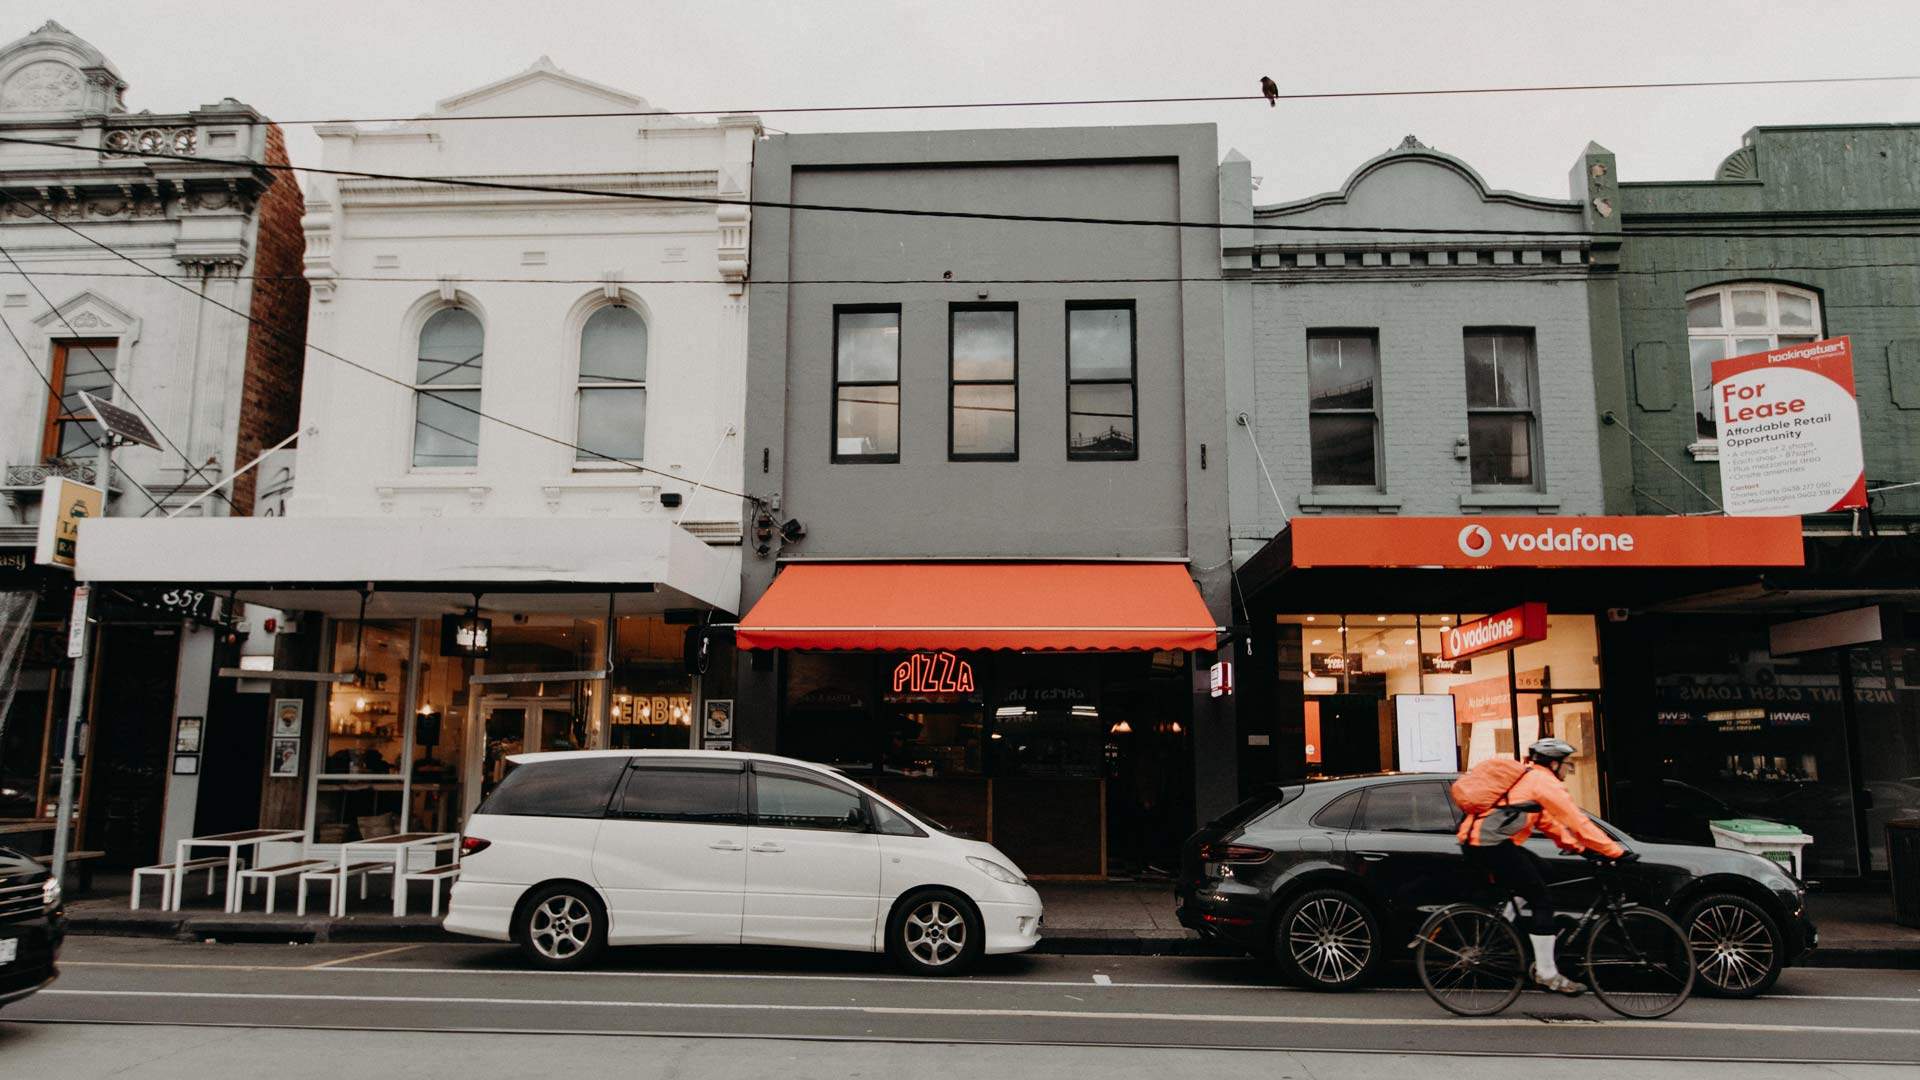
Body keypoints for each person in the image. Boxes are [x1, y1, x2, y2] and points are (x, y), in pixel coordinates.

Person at [1451, 737, 1632, 994]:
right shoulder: (1543, 782)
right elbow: (1576, 819)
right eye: (1567, 765)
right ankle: (1547, 973)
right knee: (1541, 898)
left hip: (1486, 842)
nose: (1568, 771)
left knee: (1545, 871)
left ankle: (1505, 923)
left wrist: (1580, 848)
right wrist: (1613, 851)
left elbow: (1549, 822)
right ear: (1554, 763)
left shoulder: (1529, 780)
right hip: (1489, 844)